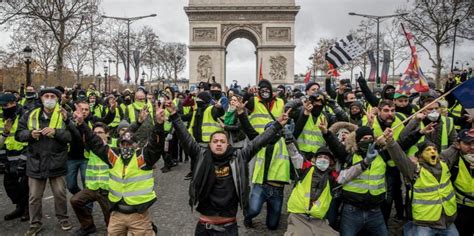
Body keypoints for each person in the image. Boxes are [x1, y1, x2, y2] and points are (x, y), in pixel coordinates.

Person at [166, 96, 290, 235]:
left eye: (222, 141)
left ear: (228, 144)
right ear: (209, 144)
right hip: (204, 227)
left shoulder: (239, 157)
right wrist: (173, 114)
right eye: (215, 141)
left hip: (229, 228)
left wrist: (277, 125)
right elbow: (185, 137)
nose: (218, 143)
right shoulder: (200, 155)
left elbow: (258, 142)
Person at [74, 102, 165, 235]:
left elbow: (156, 146)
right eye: (123, 144)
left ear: (136, 145)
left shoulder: (144, 157)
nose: (126, 147)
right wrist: (82, 124)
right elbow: (95, 142)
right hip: (117, 214)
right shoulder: (113, 156)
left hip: (138, 215)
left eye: (129, 144)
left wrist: (159, 125)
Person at [15, 88, 73, 235]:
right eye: (46, 96)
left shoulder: (65, 115)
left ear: (58, 99)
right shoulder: (30, 114)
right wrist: (29, 134)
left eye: (52, 96)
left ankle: (63, 219)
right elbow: (18, 134)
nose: (49, 98)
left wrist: (56, 132)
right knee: (34, 196)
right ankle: (35, 223)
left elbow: (72, 136)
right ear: (41, 99)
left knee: (60, 194)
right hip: (36, 161)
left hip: (57, 161)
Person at [385, 128, 458, 236]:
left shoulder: (444, 163)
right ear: (420, 156)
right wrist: (390, 141)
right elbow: (399, 158)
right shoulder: (414, 170)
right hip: (425, 224)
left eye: (435, 150)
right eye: (428, 150)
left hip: (447, 222)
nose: (433, 151)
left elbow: (454, 147)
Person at [70, 123, 113, 236]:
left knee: (112, 225)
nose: (97, 135)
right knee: (75, 200)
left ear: (107, 134)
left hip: (107, 190)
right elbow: (78, 134)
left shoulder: (114, 147)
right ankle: (88, 226)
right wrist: (72, 122)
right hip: (93, 188)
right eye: (95, 133)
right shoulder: (91, 147)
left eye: (100, 132)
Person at [0, 93, 29, 221]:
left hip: (24, 154)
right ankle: (20, 206)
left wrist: (26, 156)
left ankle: (27, 209)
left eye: (7, 105)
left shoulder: (25, 115)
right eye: (3, 106)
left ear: (14, 102)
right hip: (8, 157)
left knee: (24, 185)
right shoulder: (2, 117)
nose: (5, 107)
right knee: (9, 185)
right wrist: (5, 133)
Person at [441, 128, 474, 236]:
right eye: (467, 143)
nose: (472, 147)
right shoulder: (453, 158)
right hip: (461, 208)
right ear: (458, 144)